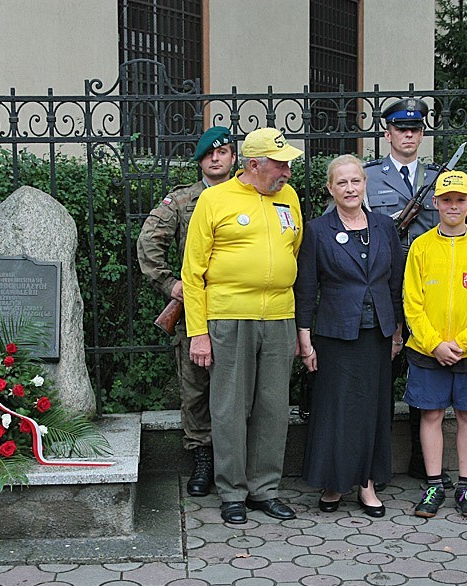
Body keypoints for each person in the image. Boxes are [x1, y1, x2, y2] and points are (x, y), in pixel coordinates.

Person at [181, 127, 304, 525]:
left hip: (279, 316)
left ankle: (264, 489)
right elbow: (192, 271)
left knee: (273, 407)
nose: (286, 170)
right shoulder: (214, 200)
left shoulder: (289, 197)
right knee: (230, 407)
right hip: (229, 317)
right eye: (280, 163)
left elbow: (294, 250)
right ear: (254, 165)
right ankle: (232, 491)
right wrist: (198, 332)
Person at [295, 154, 404, 516]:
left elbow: (394, 283)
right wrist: (304, 338)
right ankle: (333, 483)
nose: (350, 188)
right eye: (341, 182)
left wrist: (397, 331)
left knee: (373, 410)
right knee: (335, 410)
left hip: (377, 334)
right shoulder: (317, 230)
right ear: (330, 188)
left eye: (355, 181)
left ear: (364, 183)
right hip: (335, 335)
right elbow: (307, 288)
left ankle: (367, 484)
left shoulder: (385, 226)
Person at [136, 126, 236, 497]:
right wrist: (170, 285)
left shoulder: (246, 196)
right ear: (200, 160)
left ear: (233, 158)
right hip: (195, 308)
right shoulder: (181, 202)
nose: (215, 158)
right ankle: (202, 458)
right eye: (209, 154)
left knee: (236, 387)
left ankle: (233, 461)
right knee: (195, 388)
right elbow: (148, 244)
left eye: (222, 152)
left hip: (238, 308)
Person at [403, 170, 467, 519]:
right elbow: (412, 301)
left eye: (460, 200)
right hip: (428, 350)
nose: (453, 206)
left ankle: (466, 485)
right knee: (430, 414)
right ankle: (433, 485)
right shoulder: (421, 246)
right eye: (447, 200)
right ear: (435, 203)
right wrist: (433, 344)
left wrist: (463, 342)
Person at [364, 97, 451, 486]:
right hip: (382, 287)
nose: (409, 134)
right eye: (402, 129)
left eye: (415, 129)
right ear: (388, 134)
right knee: (380, 376)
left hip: (429, 289)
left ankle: (422, 459)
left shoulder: (439, 178)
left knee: (426, 374)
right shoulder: (368, 178)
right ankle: (375, 462)